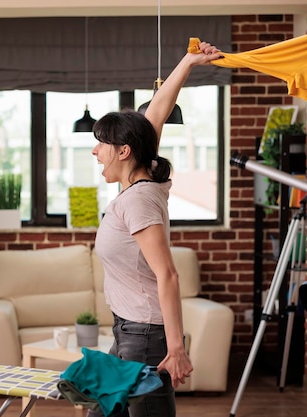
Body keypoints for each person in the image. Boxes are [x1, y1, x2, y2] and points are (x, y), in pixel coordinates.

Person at [89, 41, 223, 417]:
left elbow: (168, 275)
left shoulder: (137, 200)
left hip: (144, 336)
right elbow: (157, 112)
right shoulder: (138, 182)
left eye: (100, 144)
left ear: (124, 151)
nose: (95, 152)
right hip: (130, 332)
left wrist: (175, 346)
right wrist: (189, 62)